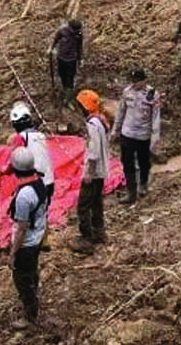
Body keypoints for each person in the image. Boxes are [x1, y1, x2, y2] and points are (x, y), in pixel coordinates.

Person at [7, 147, 49, 330]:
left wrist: (13, 253)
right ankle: (34, 293)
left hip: (27, 243)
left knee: (21, 278)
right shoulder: (40, 183)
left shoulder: (24, 196)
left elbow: (22, 228)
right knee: (31, 271)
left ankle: (30, 314)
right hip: (38, 236)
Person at [111, 68, 162, 205]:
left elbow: (156, 117)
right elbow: (121, 112)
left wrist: (155, 137)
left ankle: (143, 184)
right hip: (127, 133)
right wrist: (115, 130)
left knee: (144, 161)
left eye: (137, 81)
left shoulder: (152, 94)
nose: (134, 84)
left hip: (143, 135)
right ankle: (130, 191)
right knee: (127, 162)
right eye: (133, 81)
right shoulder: (127, 92)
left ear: (144, 80)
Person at [70, 90, 109, 254]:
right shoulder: (101, 121)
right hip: (102, 171)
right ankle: (99, 232)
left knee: (83, 206)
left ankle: (87, 238)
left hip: (94, 171)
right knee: (96, 202)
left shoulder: (92, 125)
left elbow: (93, 152)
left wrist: (88, 174)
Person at [8, 101, 54, 203]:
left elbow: (15, 160)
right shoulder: (40, 135)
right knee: (42, 214)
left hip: (34, 183)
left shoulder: (21, 138)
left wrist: (3, 171)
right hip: (49, 181)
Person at [50, 17, 84, 109]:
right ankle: (65, 90)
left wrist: (81, 59)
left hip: (72, 60)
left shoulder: (79, 34)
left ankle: (68, 100)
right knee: (62, 76)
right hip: (61, 58)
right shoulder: (63, 31)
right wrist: (51, 48)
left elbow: (79, 47)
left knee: (70, 79)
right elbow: (56, 39)